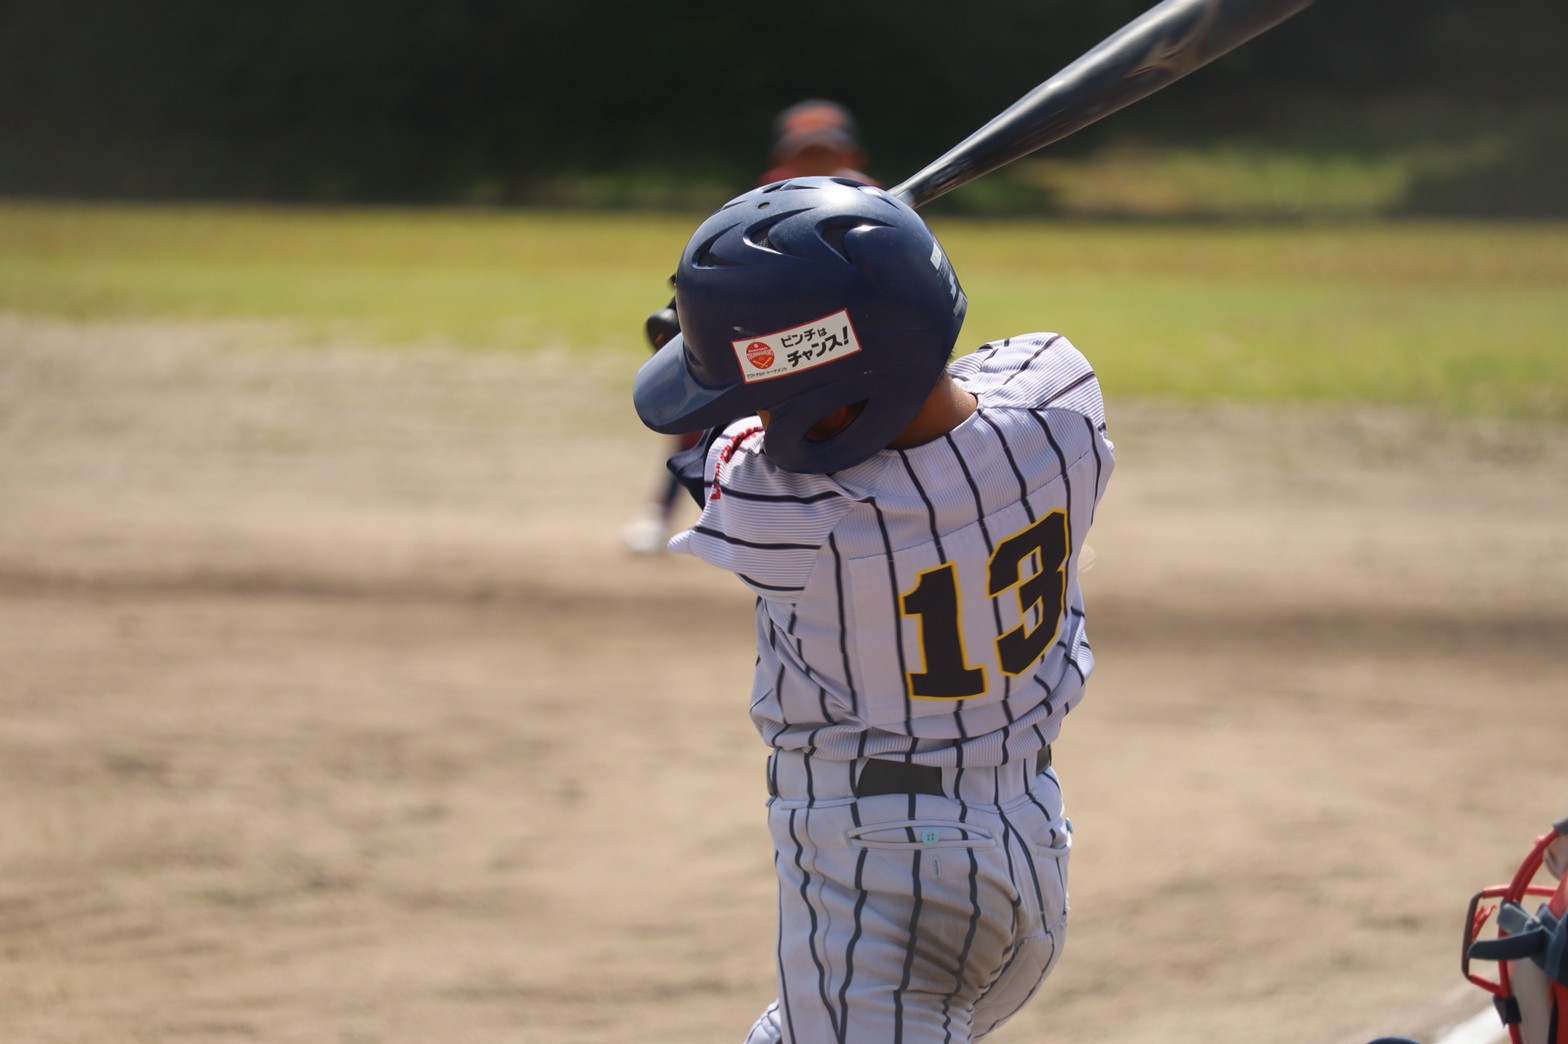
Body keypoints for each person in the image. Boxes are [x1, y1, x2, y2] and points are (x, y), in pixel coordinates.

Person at [632, 177, 1115, 1042]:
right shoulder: (1062, 412)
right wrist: (876, 261)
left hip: (886, 882)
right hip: (1026, 844)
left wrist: (749, 335)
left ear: (838, 407)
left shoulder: (795, 516)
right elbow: (952, 367)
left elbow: (721, 446)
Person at [622, 100, 876, 553]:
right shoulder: (761, 202)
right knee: (701, 416)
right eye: (805, 153)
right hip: (770, 336)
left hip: (847, 338)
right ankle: (664, 516)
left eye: (825, 152)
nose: (814, 162)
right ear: (784, 160)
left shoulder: (876, 204)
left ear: (852, 158)